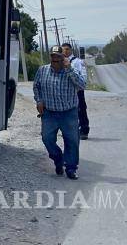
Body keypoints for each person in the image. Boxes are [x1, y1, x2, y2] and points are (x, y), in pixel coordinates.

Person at [33, 45, 87, 179]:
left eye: (58, 56)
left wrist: (69, 68)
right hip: (49, 113)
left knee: (72, 141)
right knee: (47, 139)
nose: (55, 59)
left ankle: (71, 168)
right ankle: (58, 159)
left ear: (64, 58)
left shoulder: (71, 70)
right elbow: (36, 86)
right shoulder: (43, 70)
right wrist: (39, 100)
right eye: (53, 56)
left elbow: (82, 85)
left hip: (69, 113)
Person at [62, 43, 89, 139]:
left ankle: (84, 130)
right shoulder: (59, 62)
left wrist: (80, 85)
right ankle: (70, 130)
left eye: (67, 49)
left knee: (81, 110)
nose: (65, 51)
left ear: (71, 50)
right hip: (65, 92)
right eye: (63, 49)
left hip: (77, 91)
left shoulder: (78, 62)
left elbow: (84, 77)